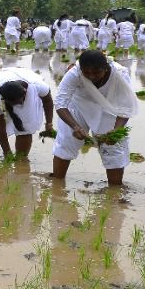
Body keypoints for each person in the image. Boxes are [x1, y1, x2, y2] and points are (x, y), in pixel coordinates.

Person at [52, 49, 136, 186]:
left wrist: (116, 130)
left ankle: (114, 191)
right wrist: (75, 126)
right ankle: (57, 185)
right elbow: (60, 103)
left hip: (108, 106)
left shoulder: (120, 74)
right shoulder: (75, 73)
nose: (91, 76)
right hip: (78, 104)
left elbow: (126, 106)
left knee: (113, 148)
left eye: (96, 72)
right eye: (87, 72)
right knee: (66, 142)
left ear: (106, 68)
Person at [0, 67, 54, 158]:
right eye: (12, 104)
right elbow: (0, 128)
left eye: (18, 103)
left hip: (25, 79)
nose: (16, 107)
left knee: (25, 127)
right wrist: (7, 153)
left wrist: (49, 123)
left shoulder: (38, 86)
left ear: (24, 93)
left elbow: (47, 101)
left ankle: (21, 159)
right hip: (4, 79)